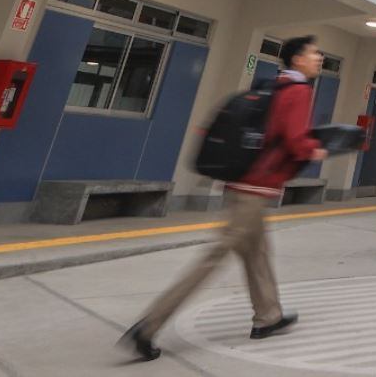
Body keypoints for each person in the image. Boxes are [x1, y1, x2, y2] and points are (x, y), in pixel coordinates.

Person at [121, 37, 328, 361]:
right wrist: (315, 149)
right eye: (314, 53)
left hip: (242, 181)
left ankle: (268, 316)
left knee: (256, 252)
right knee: (216, 256)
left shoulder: (276, 86)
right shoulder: (299, 92)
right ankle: (148, 327)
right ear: (298, 59)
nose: (319, 58)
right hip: (257, 186)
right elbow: (293, 138)